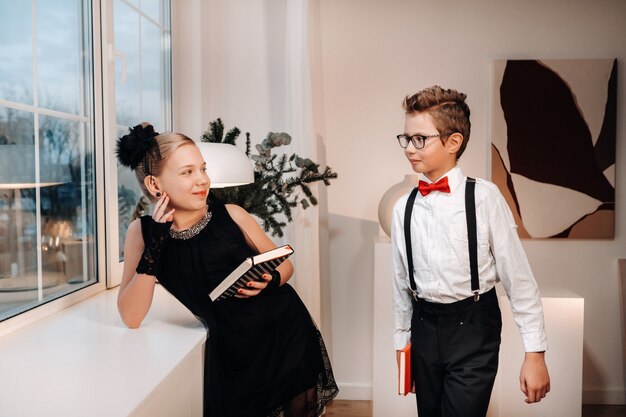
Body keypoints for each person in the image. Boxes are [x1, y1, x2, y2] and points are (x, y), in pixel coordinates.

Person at [116, 124, 338, 417]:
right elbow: (131, 316)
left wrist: (270, 280)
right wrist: (155, 247)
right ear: (155, 185)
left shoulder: (232, 214)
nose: (202, 180)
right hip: (231, 353)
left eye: (203, 169)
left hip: (284, 334)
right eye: (187, 172)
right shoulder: (141, 233)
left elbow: (285, 264)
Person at [390, 86, 550, 417]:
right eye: (405, 138)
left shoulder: (485, 198)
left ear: (453, 142)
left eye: (420, 139)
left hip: (474, 327)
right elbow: (401, 283)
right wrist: (401, 342)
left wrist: (535, 353)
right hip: (423, 326)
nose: (409, 148)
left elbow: (518, 279)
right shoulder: (402, 207)